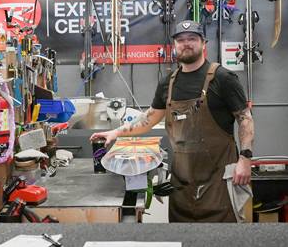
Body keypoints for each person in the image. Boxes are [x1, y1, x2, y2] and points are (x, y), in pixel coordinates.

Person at [90, 20, 254, 222]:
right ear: (174, 46)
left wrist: (245, 159)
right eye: (181, 40)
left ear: (204, 44)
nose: (186, 43)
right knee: (181, 237)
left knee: (220, 238)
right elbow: (148, 119)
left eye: (192, 39)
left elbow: (245, 119)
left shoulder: (223, 78)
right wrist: (116, 132)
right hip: (182, 183)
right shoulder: (168, 83)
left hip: (218, 181)